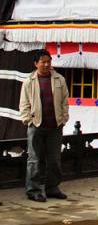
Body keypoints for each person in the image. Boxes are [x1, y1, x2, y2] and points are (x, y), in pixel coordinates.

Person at [19, 49, 69, 202]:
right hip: (36, 125)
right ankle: (33, 190)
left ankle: (52, 188)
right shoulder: (29, 81)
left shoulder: (59, 79)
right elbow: (24, 104)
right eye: (43, 62)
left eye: (49, 61)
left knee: (54, 159)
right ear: (36, 64)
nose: (47, 64)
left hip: (55, 125)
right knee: (34, 160)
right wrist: (28, 120)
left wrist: (64, 119)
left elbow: (64, 101)